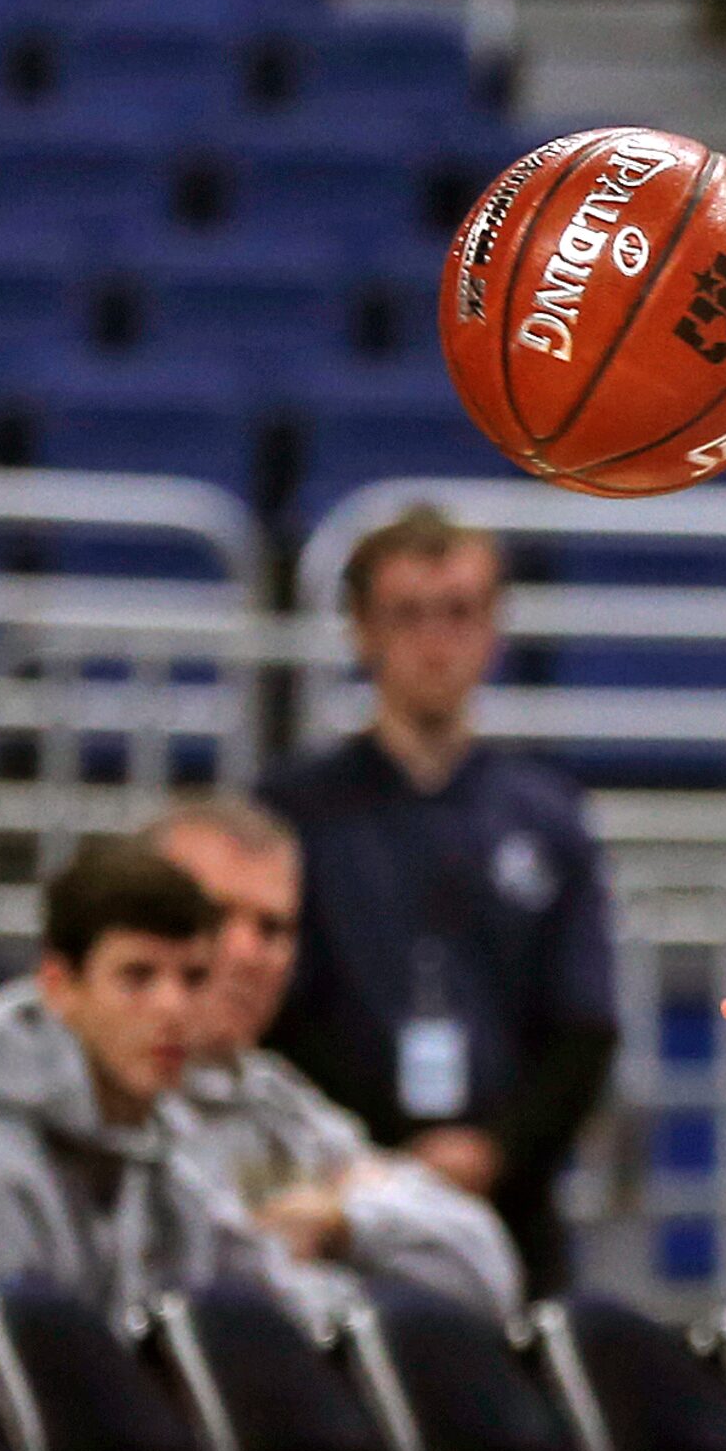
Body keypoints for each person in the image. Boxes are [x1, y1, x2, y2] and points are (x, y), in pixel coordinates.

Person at [261, 506, 619, 1296]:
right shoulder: (296, 814)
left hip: (511, 1206)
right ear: (362, 630)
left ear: (493, 628)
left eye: (459, 612)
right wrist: (381, 1157)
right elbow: (272, 1010)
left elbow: (585, 1026)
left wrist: (493, 1150)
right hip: (336, 1198)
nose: (435, 640)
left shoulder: (547, 816)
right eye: (408, 614)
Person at [149, 797, 524, 1318]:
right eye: (216, 915)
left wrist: (341, 1220)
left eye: (273, 929)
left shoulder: (275, 1102)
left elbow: (487, 1269)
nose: (248, 952)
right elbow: (236, 1311)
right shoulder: (100, 1101)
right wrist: (363, 1290)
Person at [0, 839, 289, 1314]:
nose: (172, 1009)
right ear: (58, 985)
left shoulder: (172, 1159)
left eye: (194, 979)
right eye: (138, 976)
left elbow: (284, 1305)